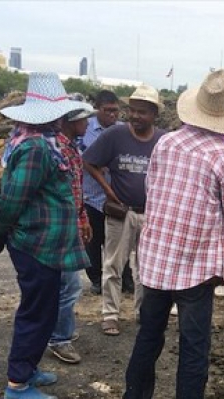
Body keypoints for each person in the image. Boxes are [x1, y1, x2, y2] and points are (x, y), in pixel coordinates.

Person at [121, 68, 224, 399]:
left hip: (156, 257)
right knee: (194, 346)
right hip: (196, 265)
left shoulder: (166, 143)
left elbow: (152, 191)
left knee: (149, 334)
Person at [0, 72, 90, 399]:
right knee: (36, 312)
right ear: (54, 116)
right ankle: (17, 384)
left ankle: (27, 370)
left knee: (43, 309)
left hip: (46, 245)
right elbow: (12, 199)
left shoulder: (43, 143)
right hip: (36, 245)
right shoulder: (36, 149)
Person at [83, 85, 166, 336]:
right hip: (122, 212)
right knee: (113, 265)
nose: (136, 116)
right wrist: (108, 190)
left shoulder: (162, 140)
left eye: (143, 112)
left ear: (154, 114)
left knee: (145, 268)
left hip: (150, 214)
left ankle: (143, 313)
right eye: (133, 110)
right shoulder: (115, 136)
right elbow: (89, 161)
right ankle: (110, 314)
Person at [47, 95, 95, 365]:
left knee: (66, 284)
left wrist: (83, 218)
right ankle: (59, 338)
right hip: (60, 230)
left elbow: (77, 191)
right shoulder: (58, 150)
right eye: (83, 119)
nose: (87, 123)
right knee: (69, 285)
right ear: (68, 121)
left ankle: (57, 331)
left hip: (72, 226)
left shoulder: (72, 147)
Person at [80, 90, 122, 296]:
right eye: (108, 111)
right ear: (98, 108)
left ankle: (123, 278)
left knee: (118, 241)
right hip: (91, 196)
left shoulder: (124, 131)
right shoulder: (85, 128)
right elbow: (83, 159)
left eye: (116, 111)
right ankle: (96, 279)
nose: (112, 115)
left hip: (117, 198)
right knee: (93, 242)